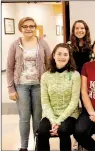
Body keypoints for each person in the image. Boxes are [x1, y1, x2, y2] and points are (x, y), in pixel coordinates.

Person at [6, 17, 51, 151]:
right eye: (25, 26)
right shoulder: (15, 45)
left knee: (38, 118)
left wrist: (49, 84)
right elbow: (9, 67)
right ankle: (24, 147)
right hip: (21, 86)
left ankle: (38, 146)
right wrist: (10, 88)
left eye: (31, 26)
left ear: (35, 28)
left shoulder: (42, 43)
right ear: (21, 28)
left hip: (39, 85)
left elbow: (50, 64)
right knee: (24, 118)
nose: (28, 29)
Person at [37, 43, 80, 151]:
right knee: (42, 131)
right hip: (50, 114)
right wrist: (53, 121)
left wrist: (59, 121)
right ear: (54, 56)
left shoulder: (75, 75)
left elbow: (74, 102)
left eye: (65, 54)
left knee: (63, 130)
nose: (62, 57)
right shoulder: (45, 76)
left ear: (69, 57)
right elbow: (45, 102)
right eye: (59, 54)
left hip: (70, 115)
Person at [68, 20, 94, 150]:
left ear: (86, 30)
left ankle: (85, 134)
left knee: (85, 109)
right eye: (77, 28)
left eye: (82, 28)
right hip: (72, 81)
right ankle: (75, 138)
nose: (79, 30)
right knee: (73, 109)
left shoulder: (91, 45)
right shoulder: (68, 46)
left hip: (87, 81)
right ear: (73, 30)